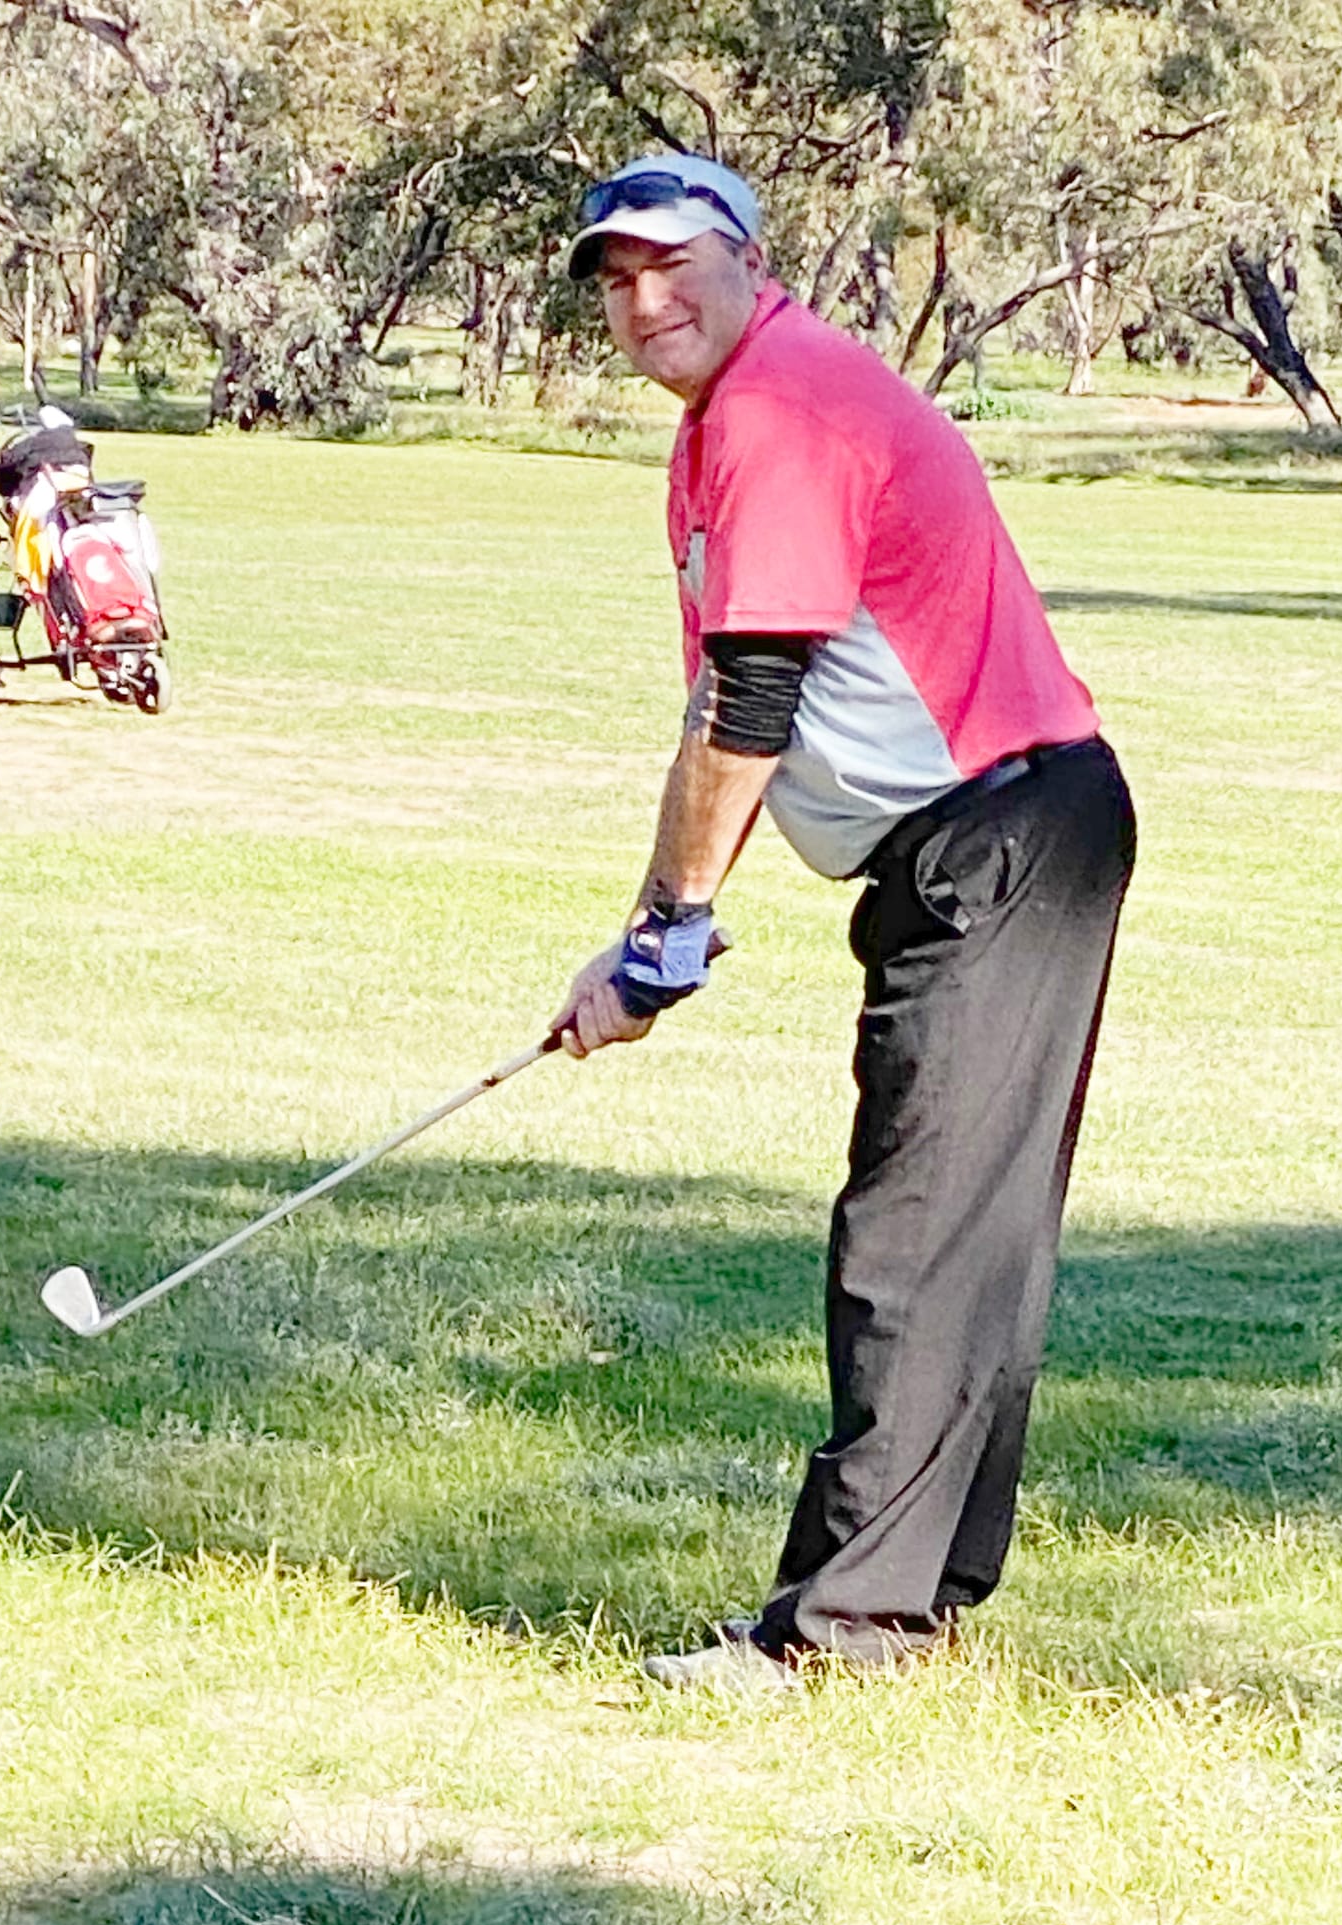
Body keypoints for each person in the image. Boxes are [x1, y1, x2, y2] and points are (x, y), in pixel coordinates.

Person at [550, 155, 1137, 1693]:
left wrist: (667, 941)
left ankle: (848, 1626)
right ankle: (915, 1596)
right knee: (959, 1237)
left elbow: (751, 705)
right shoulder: (727, 421)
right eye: (616, 278)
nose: (645, 300)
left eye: (673, 263)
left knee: (916, 1241)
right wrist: (648, 936)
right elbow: (731, 713)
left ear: (749, 261)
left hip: (1004, 838)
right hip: (992, 841)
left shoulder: (777, 408)